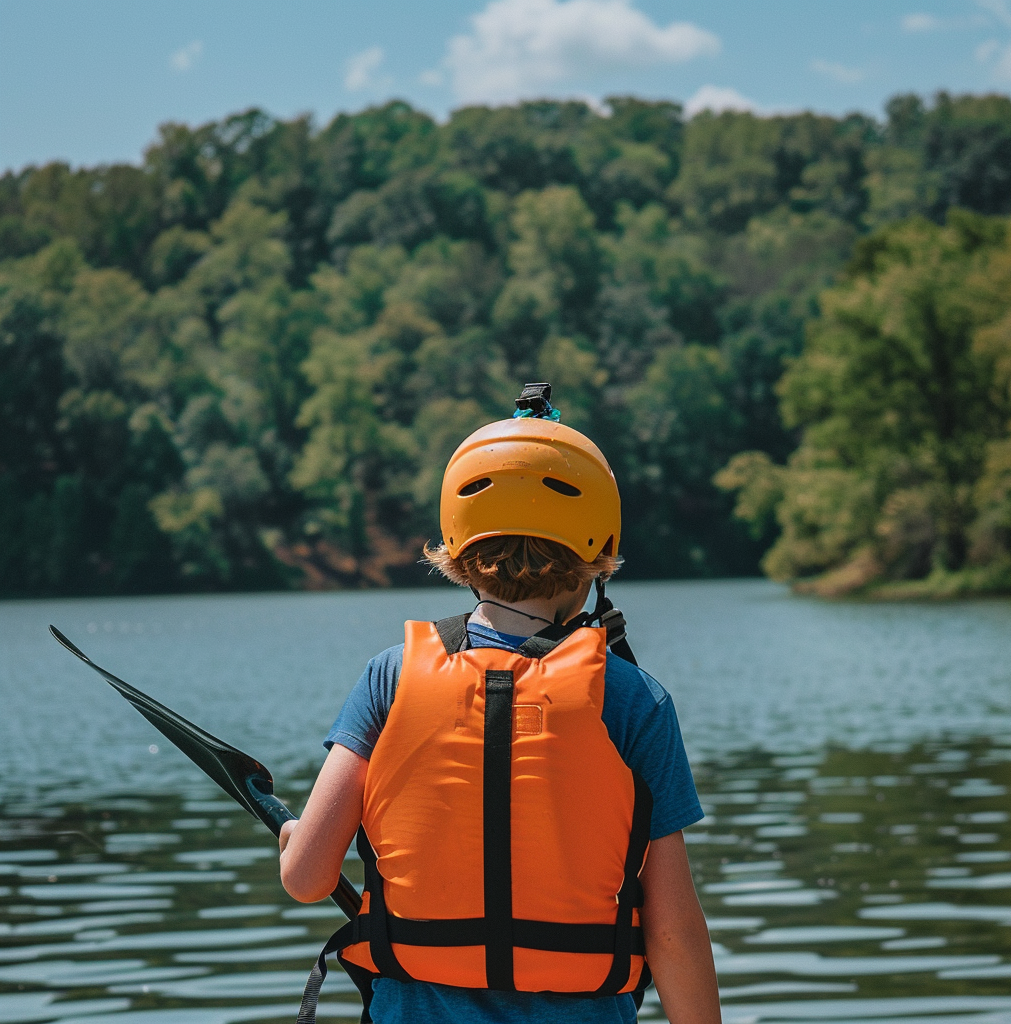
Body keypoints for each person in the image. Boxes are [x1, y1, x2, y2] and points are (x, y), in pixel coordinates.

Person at [279, 385, 721, 1024]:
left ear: (458, 545)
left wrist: (296, 837)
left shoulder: (390, 678)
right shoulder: (633, 700)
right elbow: (673, 929)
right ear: (598, 550)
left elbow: (307, 877)